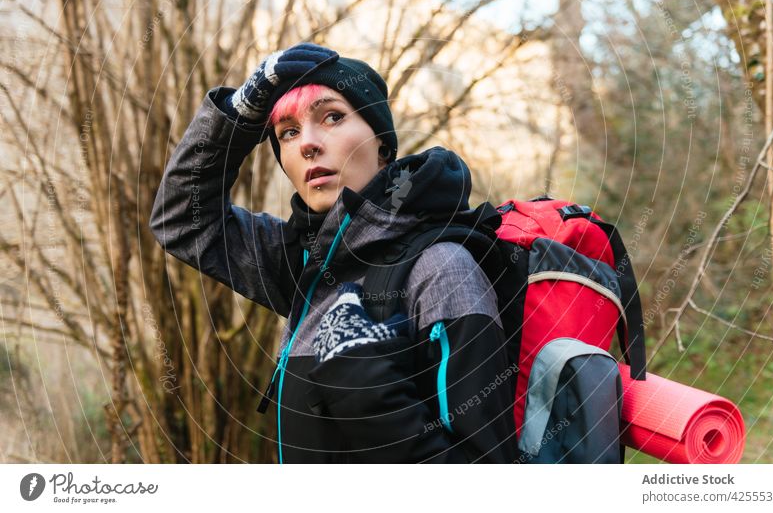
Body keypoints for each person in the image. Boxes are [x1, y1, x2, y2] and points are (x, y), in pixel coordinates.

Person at [149, 42, 519, 463]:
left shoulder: (441, 268)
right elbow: (180, 221)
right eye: (288, 131)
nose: (307, 143)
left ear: (382, 143)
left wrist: (366, 391)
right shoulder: (303, 265)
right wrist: (238, 113)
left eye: (332, 117)